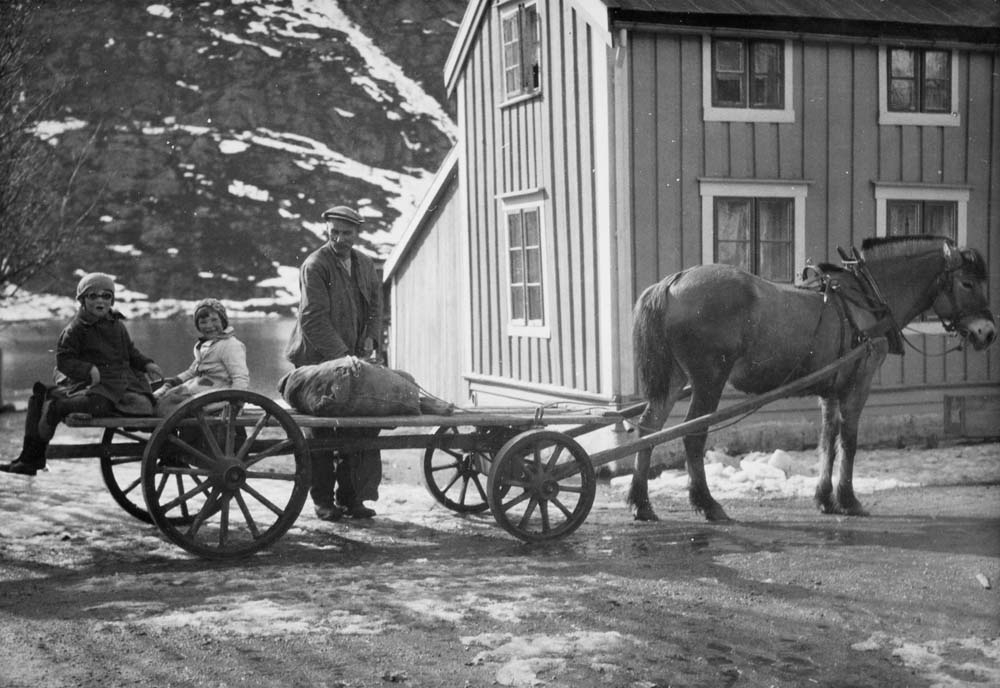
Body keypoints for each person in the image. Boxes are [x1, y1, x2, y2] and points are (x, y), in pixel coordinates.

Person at [1, 272, 163, 476]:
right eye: (93, 296)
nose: (100, 301)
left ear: (112, 300)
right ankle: (29, 458)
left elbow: (130, 353)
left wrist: (146, 364)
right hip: (95, 386)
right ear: (82, 300)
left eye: (106, 296)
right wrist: (88, 370)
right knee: (37, 399)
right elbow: (64, 360)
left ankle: (52, 414)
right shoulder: (76, 329)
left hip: (121, 385)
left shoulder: (117, 325)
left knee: (78, 404)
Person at [285, 205, 382, 521]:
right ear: (326, 231)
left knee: (360, 428)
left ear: (357, 233)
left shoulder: (365, 265)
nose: (340, 238)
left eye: (347, 233)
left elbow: (376, 309)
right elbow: (312, 319)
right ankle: (324, 501)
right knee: (323, 434)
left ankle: (353, 499)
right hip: (317, 362)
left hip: (353, 359)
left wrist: (371, 338)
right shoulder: (316, 265)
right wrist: (341, 356)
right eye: (334, 232)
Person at [154, 298, 250, 416]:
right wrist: (171, 383)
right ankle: (176, 431)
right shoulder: (205, 346)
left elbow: (240, 377)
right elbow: (192, 371)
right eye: (203, 322)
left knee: (169, 403)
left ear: (223, 322)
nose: (209, 326)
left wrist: (235, 404)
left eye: (214, 320)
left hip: (218, 396)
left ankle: (174, 430)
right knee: (166, 398)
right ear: (198, 325)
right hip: (202, 389)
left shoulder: (230, 345)